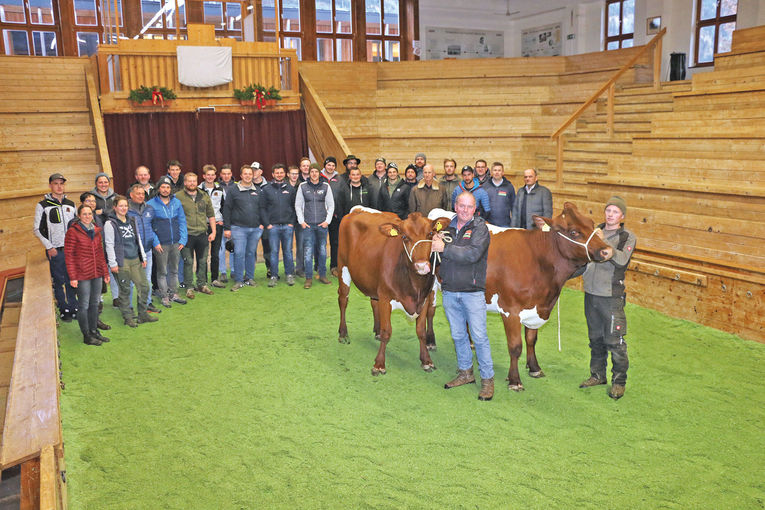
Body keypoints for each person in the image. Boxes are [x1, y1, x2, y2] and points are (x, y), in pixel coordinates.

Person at [432, 192, 494, 401]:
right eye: (461, 206)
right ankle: (465, 372)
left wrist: (445, 248)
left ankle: (487, 379)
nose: (465, 210)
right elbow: (438, 256)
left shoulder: (480, 229)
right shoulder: (447, 228)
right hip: (449, 290)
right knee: (458, 335)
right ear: (455, 206)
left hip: (472, 292)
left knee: (479, 337)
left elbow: (472, 255)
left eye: (469, 206)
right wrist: (434, 245)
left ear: (475, 208)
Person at [577, 196, 636, 400]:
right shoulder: (594, 233)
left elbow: (621, 260)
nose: (610, 215)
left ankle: (619, 382)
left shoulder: (626, 236)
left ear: (622, 216)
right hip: (591, 294)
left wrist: (600, 241)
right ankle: (597, 375)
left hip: (611, 296)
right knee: (595, 339)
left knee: (615, 341)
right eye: (608, 210)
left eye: (614, 212)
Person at [104, 196, 157, 327]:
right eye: (120, 206)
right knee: (125, 290)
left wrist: (143, 257)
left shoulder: (132, 220)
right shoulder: (110, 224)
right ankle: (127, 317)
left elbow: (137, 239)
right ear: (115, 207)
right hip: (122, 261)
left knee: (144, 286)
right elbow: (109, 244)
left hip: (135, 259)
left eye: (125, 206)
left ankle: (143, 314)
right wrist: (113, 263)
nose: (123, 208)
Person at [34, 173, 78, 321]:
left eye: (61, 183)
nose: (59, 186)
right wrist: (49, 247)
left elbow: (77, 226)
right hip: (56, 251)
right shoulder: (42, 205)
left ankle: (73, 306)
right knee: (59, 280)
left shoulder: (71, 205)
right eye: (56, 183)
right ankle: (64, 308)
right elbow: (37, 229)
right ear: (50, 185)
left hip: (72, 250)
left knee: (72, 277)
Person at [64, 204, 110, 346]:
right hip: (82, 275)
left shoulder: (96, 231)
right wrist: (73, 277)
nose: (87, 216)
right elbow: (69, 256)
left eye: (89, 214)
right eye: (84, 214)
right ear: (79, 216)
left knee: (94, 303)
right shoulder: (73, 232)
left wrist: (105, 272)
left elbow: (100, 254)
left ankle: (94, 330)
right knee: (83, 305)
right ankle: (87, 335)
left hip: (96, 273)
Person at [223, 165, 266, 291]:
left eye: (250, 174)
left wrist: (262, 224)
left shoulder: (258, 190)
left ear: (253, 175)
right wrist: (227, 228)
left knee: (251, 253)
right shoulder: (233, 190)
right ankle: (238, 280)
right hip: (238, 228)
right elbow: (227, 209)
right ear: (241, 175)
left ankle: (249, 278)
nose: (248, 176)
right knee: (239, 253)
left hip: (255, 229)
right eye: (245, 174)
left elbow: (262, 208)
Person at [148, 176, 187, 308]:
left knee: (174, 270)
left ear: (171, 189)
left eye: (168, 187)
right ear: (159, 188)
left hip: (176, 242)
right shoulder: (151, 204)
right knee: (162, 272)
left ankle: (174, 294)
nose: (165, 190)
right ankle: (164, 296)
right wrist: (156, 242)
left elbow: (182, 221)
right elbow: (149, 226)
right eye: (163, 187)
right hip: (161, 245)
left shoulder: (177, 203)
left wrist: (183, 239)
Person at [176, 172, 216, 298]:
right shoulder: (177, 197)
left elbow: (211, 215)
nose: (192, 183)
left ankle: (202, 284)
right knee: (188, 262)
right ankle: (188, 287)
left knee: (203, 261)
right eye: (189, 181)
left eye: (194, 181)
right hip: (186, 236)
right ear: (185, 182)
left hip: (202, 234)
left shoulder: (204, 196)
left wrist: (213, 231)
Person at [296, 163, 334, 288]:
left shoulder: (326, 186)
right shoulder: (302, 186)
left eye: (316, 172)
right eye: (312, 171)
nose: (314, 174)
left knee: (322, 251)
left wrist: (327, 221)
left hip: (322, 225)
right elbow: (298, 205)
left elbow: (331, 205)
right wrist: (301, 221)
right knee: (308, 252)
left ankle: (322, 275)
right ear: (309, 173)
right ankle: (308, 278)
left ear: (319, 173)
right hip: (308, 226)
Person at [127, 184, 161, 314]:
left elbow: (153, 228)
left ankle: (147, 304)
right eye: (138, 194)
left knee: (146, 280)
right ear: (131, 195)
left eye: (142, 194)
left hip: (147, 250)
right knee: (130, 282)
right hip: (132, 252)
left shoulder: (149, 209)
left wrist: (155, 242)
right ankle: (129, 308)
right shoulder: (126, 210)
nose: (141, 196)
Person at [263, 163, 297, 287]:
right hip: (273, 227)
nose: (279, 175)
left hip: (287, 226)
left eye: (281, 172)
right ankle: (273, 275)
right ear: (273, 174)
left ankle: (289, 275)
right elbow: (263, 208)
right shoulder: (266, 189)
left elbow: (295, 208)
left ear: (285, 174)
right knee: (274, 252)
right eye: (276, 173)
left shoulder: (290, 189)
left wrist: (291, 223)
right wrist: (268, 224)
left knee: (288, 251)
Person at [199, 165, 226, 288]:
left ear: (215, 176)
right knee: (202, 254)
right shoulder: (198, 190)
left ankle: (215, 279)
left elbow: (224, 207)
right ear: (204, 176)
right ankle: (202, 280)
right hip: (202, 226)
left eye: (212, 175)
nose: (210, 177)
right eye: (207, 175)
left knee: (215, 253)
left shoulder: (220, 189)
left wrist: (223, 220)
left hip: (217, 225)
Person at [320, 157, 344, 277]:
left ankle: (334, 266)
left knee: (336, 242)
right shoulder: (318, 177)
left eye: (333, 165)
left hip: (335, 216)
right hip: (320, 217)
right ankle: (320, 268)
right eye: (329, 165)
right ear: (325, 165)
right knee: (320, 243)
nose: (331, 167)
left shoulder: (340, 179)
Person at [251, 161, 273, 278]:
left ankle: (270, 269)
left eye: (256, 170)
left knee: (268, 248)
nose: (254, 172)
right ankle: (250, 272)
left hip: (265, 224)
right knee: (251, 249)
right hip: (252, 223)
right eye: (252, 170)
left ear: (261, 172)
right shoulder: (246, 185)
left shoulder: (269, 186)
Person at [217, 163, 236, 282]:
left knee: (234, 247)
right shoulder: (216, 187)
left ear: (231, 174)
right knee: (221, 248)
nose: (226, 176)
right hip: (220, 222)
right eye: (224, 174)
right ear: (220, 175)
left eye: (228, 173)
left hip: (235, 222)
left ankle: (234, 270)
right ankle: (223, 272)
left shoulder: (238, 186)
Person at [483, 162, 515, 227]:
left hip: (505, 224)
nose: (497, 172)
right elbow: (481, 206)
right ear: (491, 172)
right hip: (488, 224)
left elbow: (514, 206)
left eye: (499, 170)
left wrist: (514, 223)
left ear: (503, 172)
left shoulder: (509, 186)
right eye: (495, 170)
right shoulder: (485, 186)